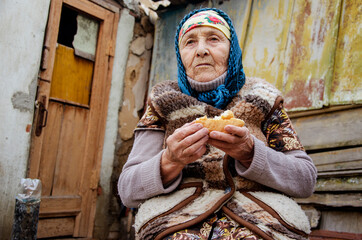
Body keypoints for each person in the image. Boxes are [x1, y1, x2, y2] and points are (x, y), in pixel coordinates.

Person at [118, 8, 317, 240]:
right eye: (190, 42)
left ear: (232, 49)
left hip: (259, 218)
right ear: (180, 54)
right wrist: (169, 161)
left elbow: (305, 180)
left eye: (214, 39)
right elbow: (128, 191)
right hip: (176, 219)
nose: (201, 50)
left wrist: (251, 153)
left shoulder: (263, 99)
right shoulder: (162, 103)